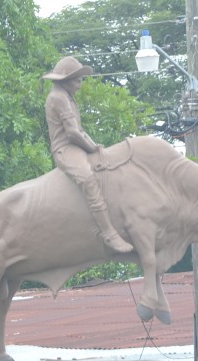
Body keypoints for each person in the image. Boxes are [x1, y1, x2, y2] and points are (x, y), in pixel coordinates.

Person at [41, 56, 134, 254]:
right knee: (88, 179)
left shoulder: (67, 96)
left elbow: (80, 130)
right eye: (77, 80)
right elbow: (73, 133)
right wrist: (90, 149)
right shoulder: (58, 97)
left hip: (77, 146)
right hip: (65, 150)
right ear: (65, 80)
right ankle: (108, 233)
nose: (80, 84)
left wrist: (95, 146)